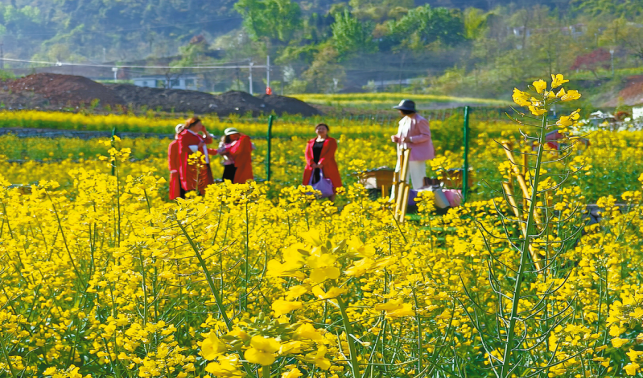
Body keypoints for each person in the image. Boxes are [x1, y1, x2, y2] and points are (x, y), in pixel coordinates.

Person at [390, 99, 434, 197]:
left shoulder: (420, 120)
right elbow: (403, 135)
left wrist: (410, 139)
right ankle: (395, 198)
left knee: (418, 177)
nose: (399, 111)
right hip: (403, 153)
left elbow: (426, 135)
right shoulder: (403, 121)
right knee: (399, 175)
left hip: (416, 154)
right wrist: (397, 138)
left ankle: (422, 199)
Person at [302, 123, 342, 201]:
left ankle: (331, 203)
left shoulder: (331, 141)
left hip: (327, 165)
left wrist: (322, 163)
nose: (321, 130)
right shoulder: (311, 142)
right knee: (310, 183)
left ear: (327, 131)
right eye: (319, 129)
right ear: (315, 131)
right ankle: (310, 203)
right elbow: (307, 153)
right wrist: (311, 163)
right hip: (312, 167)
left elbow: (330, 153)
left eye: (323, 129)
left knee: (330, 183)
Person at [178, 117, 216, 195]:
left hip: (201, 161)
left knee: (204, 182)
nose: (201, 127)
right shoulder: (185, 134)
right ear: (192, 125)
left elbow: (209, 141)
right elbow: (183, 148)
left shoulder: (196, 135)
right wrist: (198, 146)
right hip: (193, 163)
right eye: (199, 125)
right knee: (195, 183)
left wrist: (205, 132)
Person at [168, 124, 184, 200]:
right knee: (178, 187)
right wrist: (173, 169)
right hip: (177, 169)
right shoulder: (173, 144)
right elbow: (171, 157)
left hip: (186, 169)